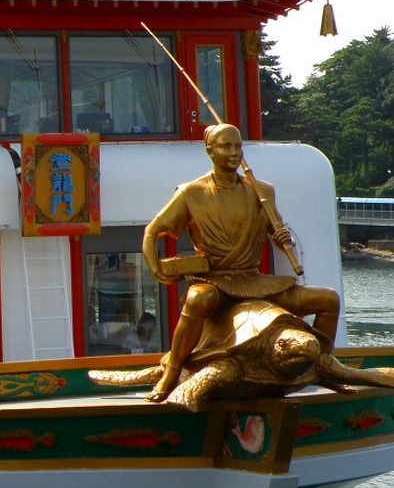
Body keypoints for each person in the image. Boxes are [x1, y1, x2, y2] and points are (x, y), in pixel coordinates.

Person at [142, 123, 340, 402]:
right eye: (226, 146)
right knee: (197, 300)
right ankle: (172, 370)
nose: (234, 152)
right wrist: (156, 268)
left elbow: (276, 232)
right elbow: (152, 232)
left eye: (238, 146)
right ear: (210, 151)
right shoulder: (191, 192)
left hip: (254, 279)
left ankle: (322, 365)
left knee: (328, 299)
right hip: (216, 279)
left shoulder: (262, 191)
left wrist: (283, 238)